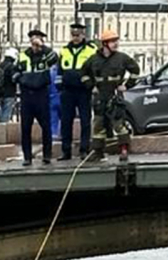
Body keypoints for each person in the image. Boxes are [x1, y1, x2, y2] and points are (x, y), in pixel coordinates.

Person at [81, 29, 140, 162]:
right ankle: (98, 152)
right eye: (112, 41)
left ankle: (124, 149)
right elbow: (83, 72)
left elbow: (135, 70)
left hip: (114, 95)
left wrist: (127, 85)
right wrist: (91, 86)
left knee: (119, 124)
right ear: (105, 44)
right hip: (100, 96)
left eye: (116, 41)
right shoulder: (94, 59)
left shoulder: (122, 58)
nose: (116, 44)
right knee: (98, 125)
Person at [14, 29, 59, 166]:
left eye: (38, 41)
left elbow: (55, 58)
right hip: (27, 95)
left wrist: (43, 48)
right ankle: (27, 157)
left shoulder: (45, 56)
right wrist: (22, 80)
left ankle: (47, 155)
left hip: (41, 94)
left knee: (46, 127)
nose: (36, 45)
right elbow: (14, 72)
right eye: (34, 42)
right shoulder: (23, 56)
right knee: (25, 128)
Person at [58, 22, 96, 160]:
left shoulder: (91, 50)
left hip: (83, 91)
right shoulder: (64, 50)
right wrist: (60, 85)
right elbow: (60, 70)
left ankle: (84, 149)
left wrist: (91, 85)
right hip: (67, 90)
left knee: (85, 121)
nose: (75, 38)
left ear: (83, 34)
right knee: (66, 121)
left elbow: (94, 69)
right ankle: (66, 151)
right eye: (73, 35)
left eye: (78, 35)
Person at [0, 48, 18, 123]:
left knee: (1, 111)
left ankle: (0, 128)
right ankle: (4, 130)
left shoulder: (1, 65)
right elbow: (14, 79)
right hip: (9, 93)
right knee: (6, 113)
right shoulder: (11, 67)